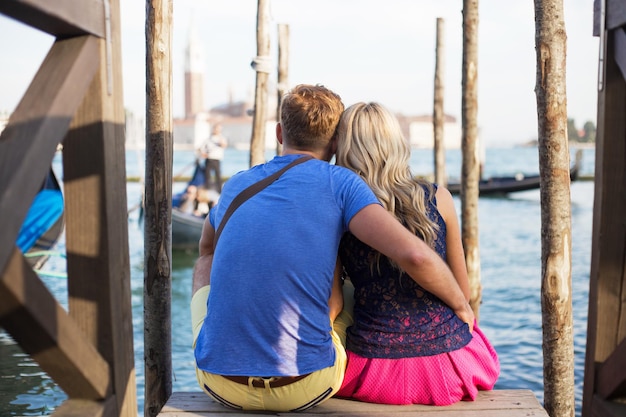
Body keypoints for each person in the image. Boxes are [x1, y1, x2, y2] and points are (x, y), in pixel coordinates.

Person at [191, 84, 474, 412]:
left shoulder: (237, 184)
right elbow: (415, 255)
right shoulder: (342, 185)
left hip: (218, 383)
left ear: (279, 132)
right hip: (306, 386)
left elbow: (207, 249)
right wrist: (462, 306)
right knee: (345, 294)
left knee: (204, 265)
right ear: (336, 141)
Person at [333, 102, 500, 406]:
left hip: (372, 371)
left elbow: (334, 302)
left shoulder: (339, 213)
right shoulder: (439, 199)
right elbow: (462, 291)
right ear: (397, 142)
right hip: (451, 365)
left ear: (343, 148)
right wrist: (463, 309)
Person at [200, 124, 227, 191]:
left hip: (217, 159)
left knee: (218, 176)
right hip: (209, 159)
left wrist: (219, 136)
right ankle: (208, 189)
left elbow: (224, 145)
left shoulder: (222, 138)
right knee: (207, 176)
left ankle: (219, 191)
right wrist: (203, 154)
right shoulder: (208, 139)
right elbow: (202, 149)